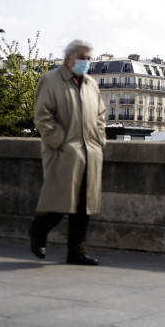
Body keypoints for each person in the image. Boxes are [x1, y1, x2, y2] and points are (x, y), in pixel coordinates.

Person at [29, 39, 106, 265]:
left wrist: (99, 141)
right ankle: (37, 231)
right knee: (58, 203)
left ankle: (77, 252)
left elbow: (101, 116)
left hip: (90, 153)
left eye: (89, 59)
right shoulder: (50, 80)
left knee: (84, 207)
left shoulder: (91, 84)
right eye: (83, 58)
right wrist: (61, 142)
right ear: (69, 58)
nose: (86, 63)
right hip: (64, 153)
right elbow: (42, 117)